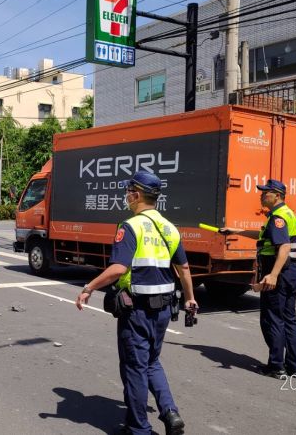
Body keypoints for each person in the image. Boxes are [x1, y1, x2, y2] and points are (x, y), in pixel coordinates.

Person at [75, 171, 197, 435]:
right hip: (165, 309)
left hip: (138, 311)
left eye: (128, 191)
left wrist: (89, 287)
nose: (126, 196)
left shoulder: (130, 227)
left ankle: (139, 428)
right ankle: (169, 412)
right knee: (152, 361)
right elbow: (184, 268)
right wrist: (190, 298)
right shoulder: (169, 228)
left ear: (137, 194)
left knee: (135, 368)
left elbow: (119, 268)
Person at [220, 179, 296, 379]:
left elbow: (282, 247)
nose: (261, 195)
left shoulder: (277, 217)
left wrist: (272, 274)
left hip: (279, 272)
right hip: (291, 272)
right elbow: (265, 235)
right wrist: (236, 231)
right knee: (289, 319)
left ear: (277, 195)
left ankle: (276, 366)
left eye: (265, 192)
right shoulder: (286, 214)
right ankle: (294, 367)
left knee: (273, 319)